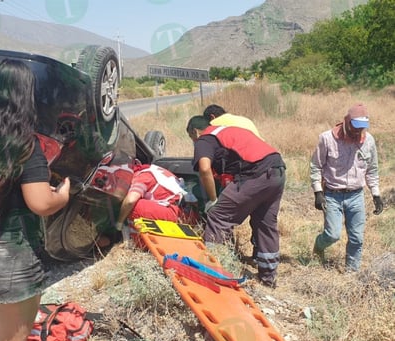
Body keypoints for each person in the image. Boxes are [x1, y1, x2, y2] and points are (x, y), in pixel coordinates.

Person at [0, 59, 70, 341]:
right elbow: (41, 204)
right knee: (14, 335)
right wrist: (63, 194)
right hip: (11, 262)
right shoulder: (23, 145)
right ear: (24, 94)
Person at [186, 115, 286, 288]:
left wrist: (213, 200)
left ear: (195, 131)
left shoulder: (205, 138)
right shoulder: (229, 131)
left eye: (191, 138)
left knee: (218, 215)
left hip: (255, 174)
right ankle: (268, 277)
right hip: (277, 170)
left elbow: (204, 168)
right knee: (264, 222)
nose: (194, 142)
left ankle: (215, 271)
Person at [310, 103, 384, 272]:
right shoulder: (327, 138)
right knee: (332, 234)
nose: (358, 132)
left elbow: (372, 170)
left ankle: (351, 272)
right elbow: (316, 166)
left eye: (361, 128)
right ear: (346, 121)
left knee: (357, 238)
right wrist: (318, 192)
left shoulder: (369, 141)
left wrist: (376, 194)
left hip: (356, 195)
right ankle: (319, 246)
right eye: (355, 127)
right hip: (332, 194)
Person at [115, 163, 186, 239]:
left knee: (134, 207)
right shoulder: (152, 171)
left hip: (174, 213)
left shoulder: (142, 177)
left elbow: (130, 201)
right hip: (182, 212)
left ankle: (136, 241)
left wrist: (119, 222)